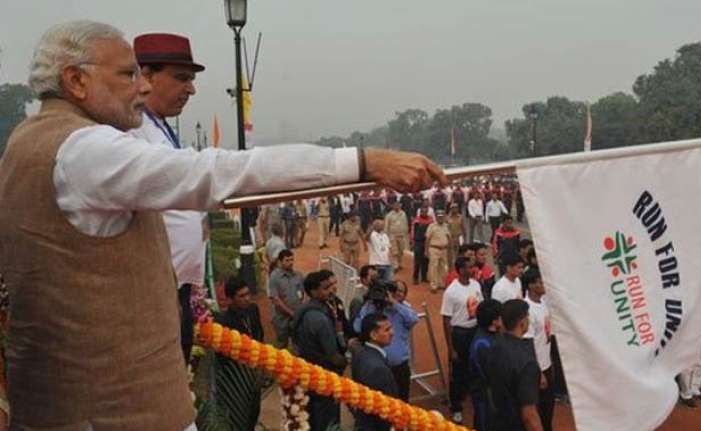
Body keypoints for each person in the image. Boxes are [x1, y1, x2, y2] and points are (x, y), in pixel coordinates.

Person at [0, 20, 446, 430]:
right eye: (128, 74)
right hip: (117, 408)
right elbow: (218, 171)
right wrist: (362, 162)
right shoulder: (84, 150)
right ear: (76, 80)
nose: (141, 87)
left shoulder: (30, 140)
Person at [129, 32, 206, 365]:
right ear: (146, 76)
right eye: (181, 78)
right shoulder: (130, 129)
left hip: (177, 286)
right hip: (153, 292)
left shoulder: (157, 125)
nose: (191, 89)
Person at [293, 271, 347, 430]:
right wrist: (345, 363)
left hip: (309, 372)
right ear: (313, 291)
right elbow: (332, 355)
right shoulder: (320, 319)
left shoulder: (304, 310)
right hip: (324, 375)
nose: (330, 290)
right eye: (325, 288)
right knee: (327, 418)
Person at [353, 280, 419, 402]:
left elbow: (414, 319)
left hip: (399, 368)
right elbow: (357, 327)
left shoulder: (401, 309)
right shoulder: (370, 308)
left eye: (401, 291)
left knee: (401, 403)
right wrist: (370, 305)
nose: (398, 293)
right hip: (376, 366)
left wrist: (394, 303)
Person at [215, 276, 264, 430]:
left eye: (248, 294)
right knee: (239, 417)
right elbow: (222, 356)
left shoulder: (253, 310)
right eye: (241, 296)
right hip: (236, 378)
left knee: (254, 411)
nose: (247, 298)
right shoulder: (224, 321)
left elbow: (259, 335)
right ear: (230, 299)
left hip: (254, 371)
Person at [486, 300, 543, 431]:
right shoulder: (527, 362)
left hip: (497, 421)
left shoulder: (494, 346)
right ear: (522, 323)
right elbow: (529, 415)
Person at [440, 256, 483, 424]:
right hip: (460, 334)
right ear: (461, 270)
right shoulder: (451, 291)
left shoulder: (476, 285)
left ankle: (471, 396)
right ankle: (456, 407)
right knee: (458, 371)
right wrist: (451, 348)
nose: (473, 269)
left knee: (475, 367)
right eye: (470, 267)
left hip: (475, 330)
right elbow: (446, 320)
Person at [351, 313, 399, 431]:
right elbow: (383, 409)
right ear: (373, 335)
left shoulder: (360, 354)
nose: (392, 332)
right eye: (387, 330)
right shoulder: (377, 369)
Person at [523, 268, 554, 431]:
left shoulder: (543, 303)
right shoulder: (528, 309)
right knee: (538, 410)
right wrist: (539, 372)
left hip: (546, 364)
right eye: (540, 282)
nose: (544, 285)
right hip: (536, 369)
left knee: (548, 408)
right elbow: (528, 344)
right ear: (531, 285)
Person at [677, 281, 701, 407]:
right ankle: (686, 393)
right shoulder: (691, 281)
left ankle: (695, 388)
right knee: (688, 360)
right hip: (693, 323)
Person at [469, 299, 503, 431]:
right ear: (494, 321)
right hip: (485, 396)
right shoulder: (482, 344)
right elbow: (492, 374)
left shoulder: (493, 335)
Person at [268, 249, 304, 348]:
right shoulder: (274, 277)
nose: (290, 262)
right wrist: (291, 313)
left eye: (292, 260)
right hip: (281, 318)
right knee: (281, 344)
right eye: (287, 260)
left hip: (296, 317)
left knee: (298, 343)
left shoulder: (298, 275)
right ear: (280, 262)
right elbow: (275, 299)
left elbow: (303, 294)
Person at [426, 209, 451, 293]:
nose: (440, 218)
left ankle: (441, 283)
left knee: (443, 268)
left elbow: (449, 237)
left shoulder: (446, 226)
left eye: (442, 217)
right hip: (434, 249)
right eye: (439, 217)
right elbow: (428, 239)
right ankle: (433, 285)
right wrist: (426, 250)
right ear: (436, 217)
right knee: (434, 267)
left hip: (444, 249)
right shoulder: (431, 226)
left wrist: (450, 248)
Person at [411, 206, 434, 285]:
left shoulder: (430, 220)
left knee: (426, 260)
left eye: (425, 211)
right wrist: (412, 241)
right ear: (420, 212)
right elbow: (413, 231)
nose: (424, 213)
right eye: (422, 211)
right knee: (417, 261)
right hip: (418, 242)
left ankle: (424, 277)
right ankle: (415, 278)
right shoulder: (416, 220)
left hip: (427, 242)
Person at [385, 201, 410, 272]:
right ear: (393, 206)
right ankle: (395, 266)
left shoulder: (403, 214)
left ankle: (399, 263)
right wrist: (386, 236)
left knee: (401, 250)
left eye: (398, 205)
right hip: (393, 235)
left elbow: (406, 223)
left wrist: (406, 234)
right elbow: (386, 226)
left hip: (401, 235)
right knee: (394, 251)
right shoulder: (389, 215)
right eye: (395, 205)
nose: (396, 207)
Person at [446, 203, 466, 269]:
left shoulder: (460, 217)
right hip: (451, 238)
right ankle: (451, 268)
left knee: (459, 254)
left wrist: (464, 238)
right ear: (450, 209)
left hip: (459, 237)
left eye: (456, 208)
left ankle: (458, 268)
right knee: (450, 254)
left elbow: (463, 228)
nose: (454, 209)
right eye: (453, 208)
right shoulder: (447, 218)